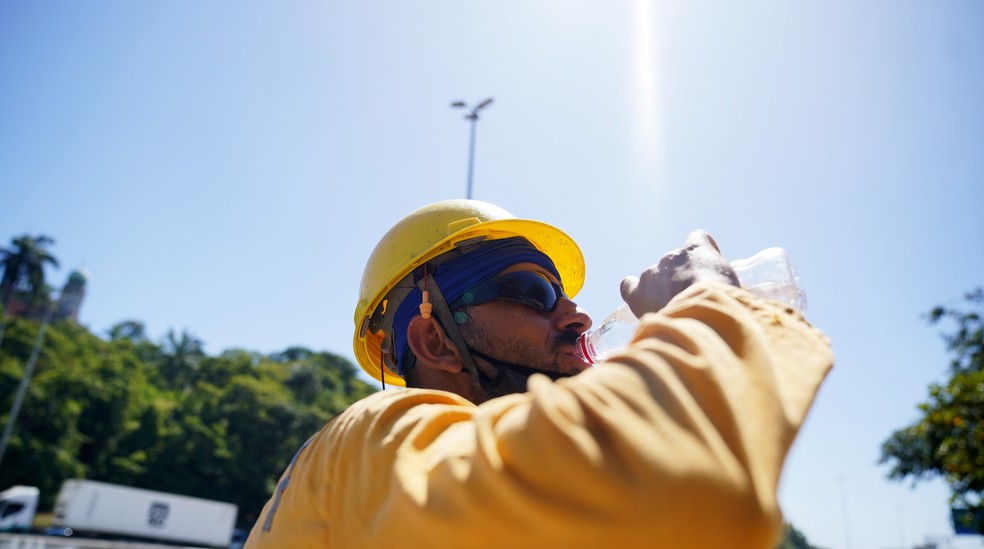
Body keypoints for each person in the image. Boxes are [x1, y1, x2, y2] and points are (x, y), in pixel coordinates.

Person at [244, 199, 833, 548]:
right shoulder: (372, 437)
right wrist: (707, 303)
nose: (577, 316)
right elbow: (681, 492)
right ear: (434, 340)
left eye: (567, 295)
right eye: (533, 292)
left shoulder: (471, 485)